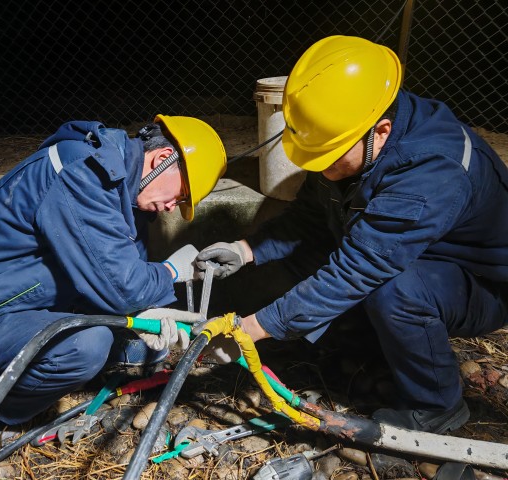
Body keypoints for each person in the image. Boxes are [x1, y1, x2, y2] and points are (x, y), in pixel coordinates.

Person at [196, 35, 508, 434]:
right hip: (418, 254)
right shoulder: (350, 133)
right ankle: (366, 344)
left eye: (327, 158)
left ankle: (437, 404)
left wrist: (252, 329)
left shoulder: (430, 172)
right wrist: (245, 249)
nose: (319, 167)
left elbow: (357, 270)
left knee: (395, 290)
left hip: (480, 283)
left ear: (382, 131)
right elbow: (310, 217)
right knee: (323, 254)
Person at [0, 115, 226, 446]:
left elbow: (126, 266)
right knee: (85, 346)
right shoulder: (82, 175)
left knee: (136, 345)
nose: (171, 208)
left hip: (25, 302)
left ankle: (38, 366)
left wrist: (150, 308)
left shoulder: (119, 184)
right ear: (162, 158)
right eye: (181, 196)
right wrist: (170, 272)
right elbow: (124, 287)